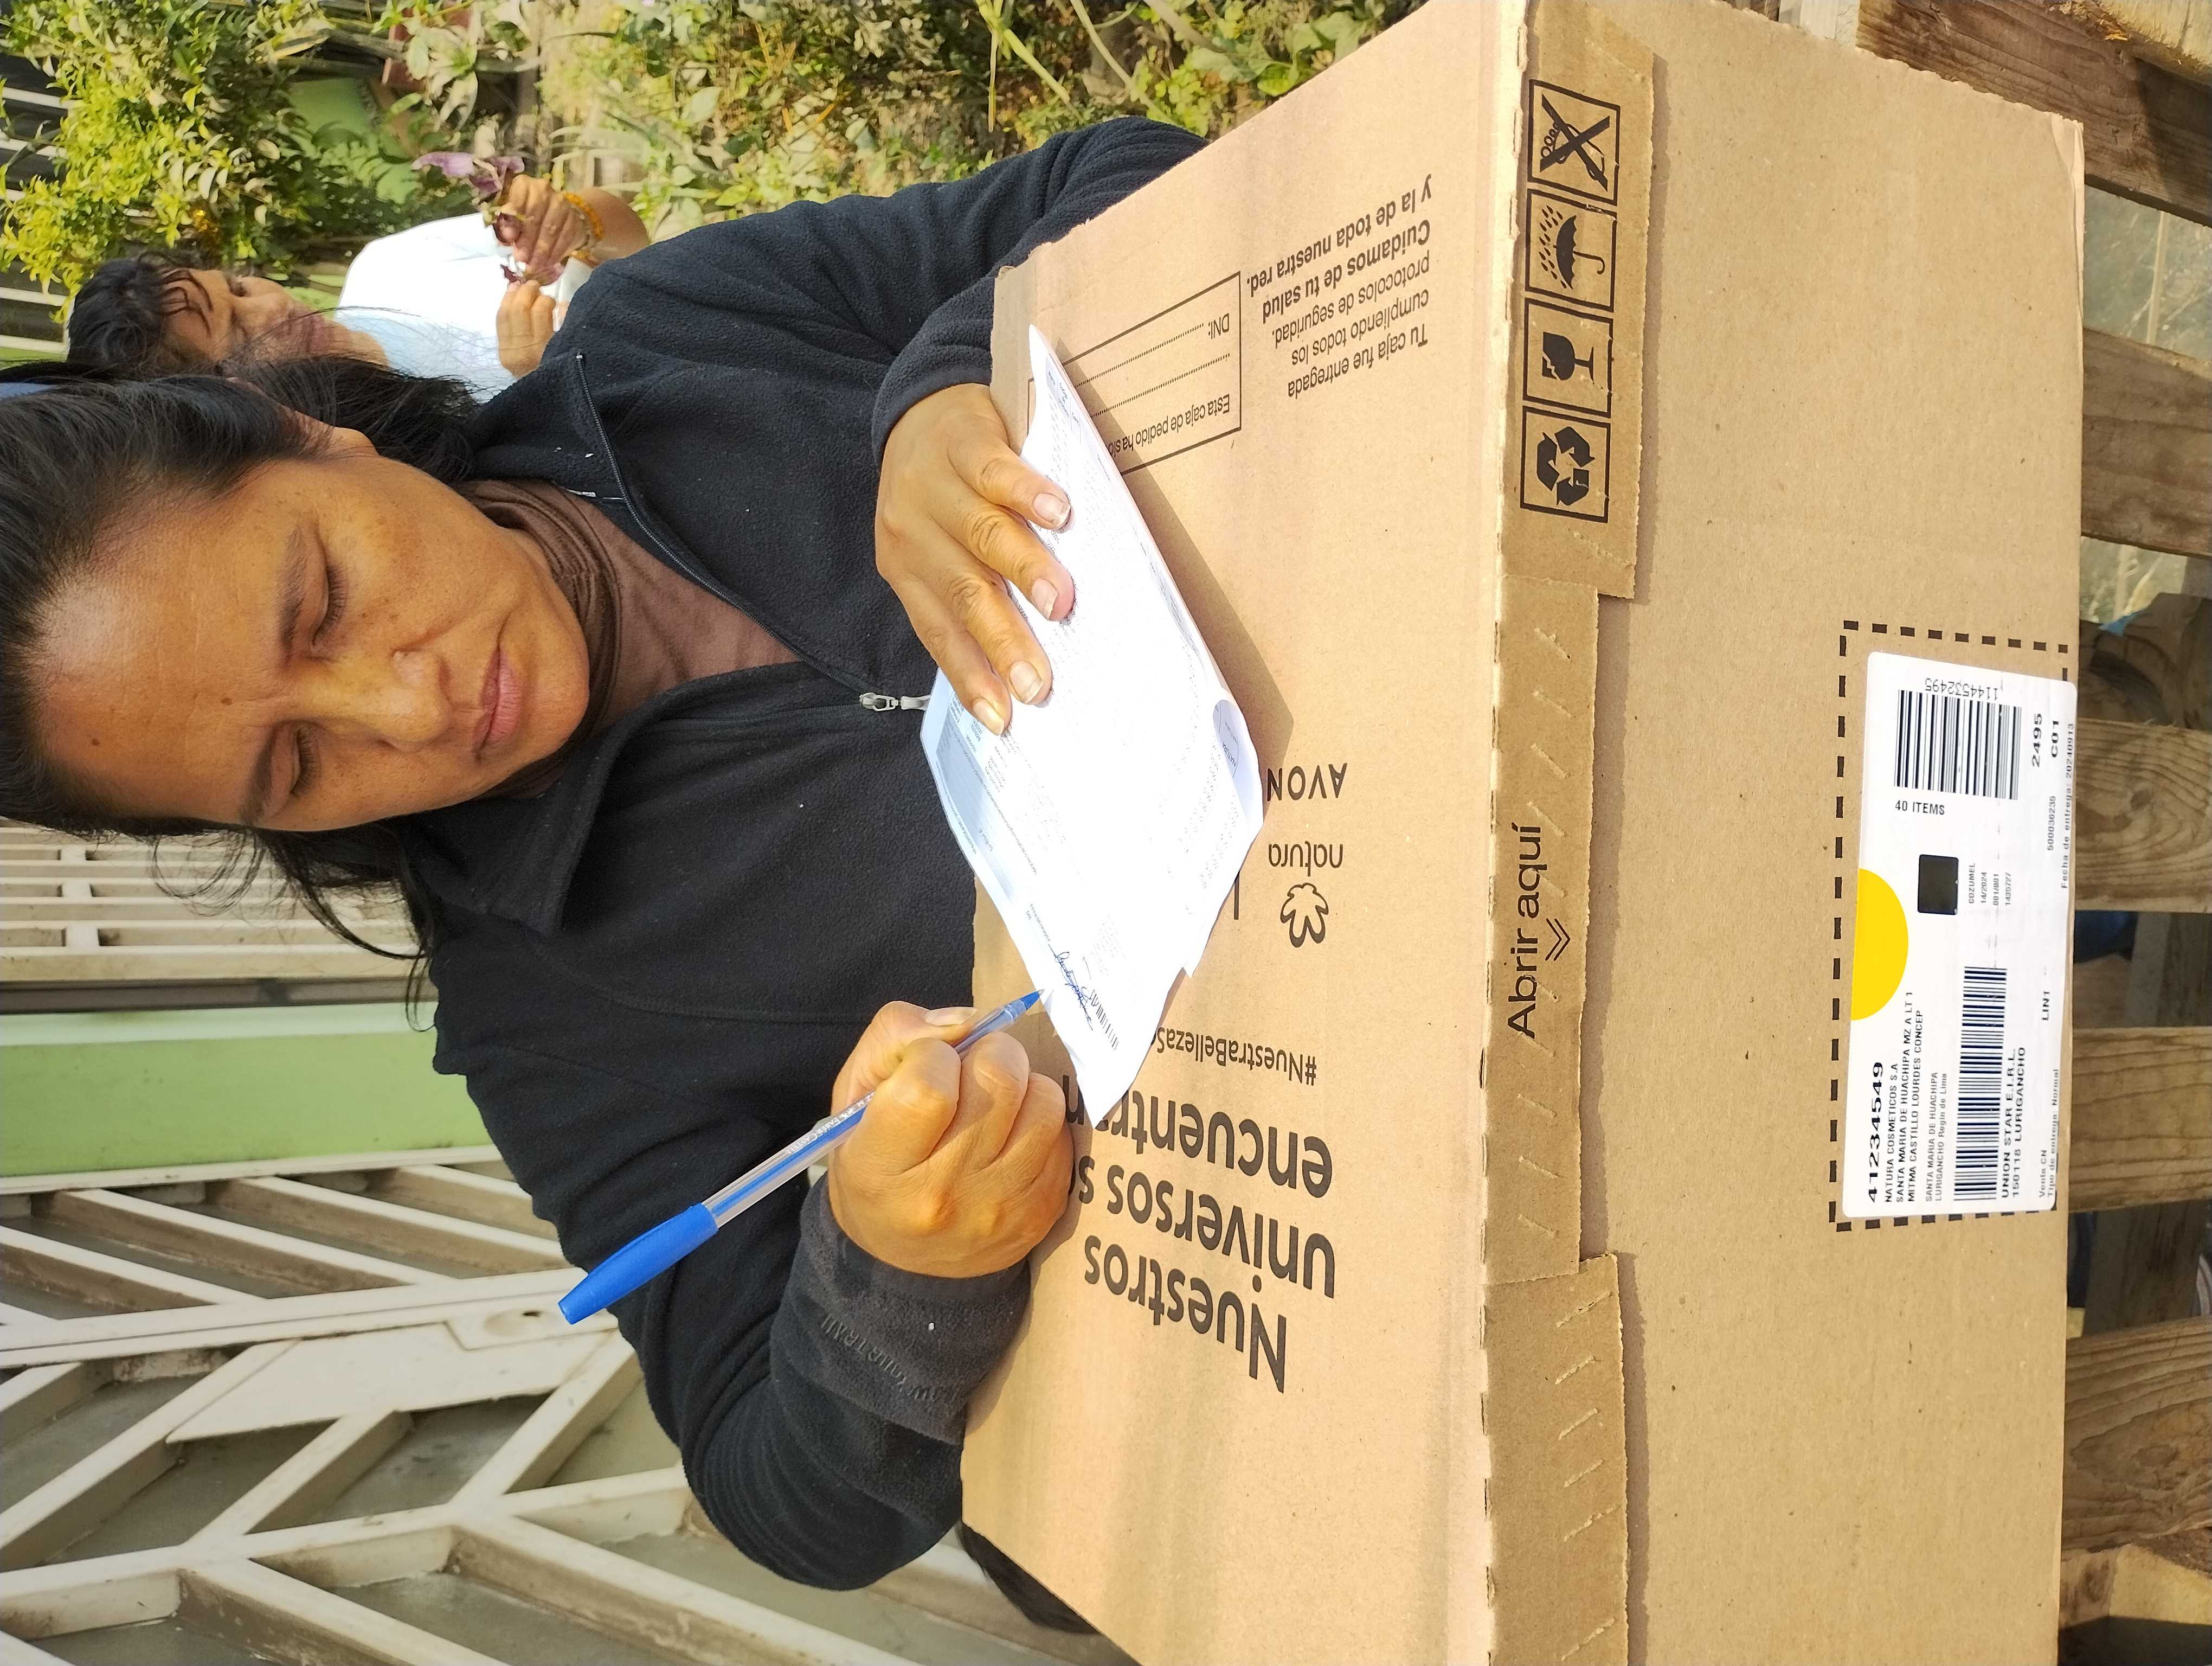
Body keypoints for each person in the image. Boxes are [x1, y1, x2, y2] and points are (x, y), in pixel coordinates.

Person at [1, 117, 1200, 1603]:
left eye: (323, 601)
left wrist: (951, 384)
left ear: (311, 437)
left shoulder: (676, 334)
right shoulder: (551, 1012)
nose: (410, 710)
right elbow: (778, 1490)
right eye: (294, 767)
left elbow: (1128, 170)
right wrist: (894, 1266)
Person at [64, 174, 649, 392]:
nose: (271, 310)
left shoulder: (387, 266)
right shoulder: (389, 458)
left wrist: (575, 219)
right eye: (238, 335)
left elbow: (633, 235)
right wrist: (543, 381)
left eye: (239, 288)